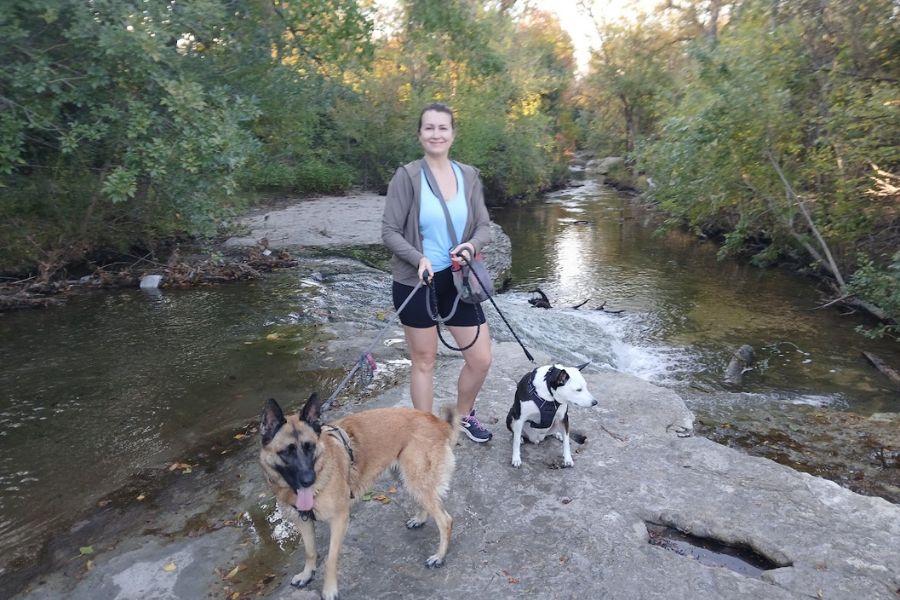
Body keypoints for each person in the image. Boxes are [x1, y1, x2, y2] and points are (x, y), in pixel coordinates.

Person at [381, 102, 494, 442]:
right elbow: (389, 231)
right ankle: (424, 434)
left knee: (481, 359)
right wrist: (417, 258)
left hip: (459, 280)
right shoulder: (407, 176)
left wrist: (470, 247)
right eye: (429, 128)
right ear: (420, 135)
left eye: (442, 127)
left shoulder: (470, 176)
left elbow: (485, 227)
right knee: (424, 361)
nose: (436, 134)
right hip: (417, 281)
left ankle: (461, 418)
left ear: (453, 134)